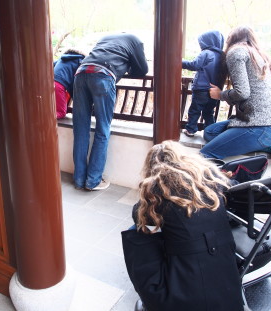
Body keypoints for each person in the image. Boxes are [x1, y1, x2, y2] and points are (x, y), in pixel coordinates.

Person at [123, 140, 244, 311]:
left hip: (182, 297)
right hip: (227, 286)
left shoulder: (154, 190)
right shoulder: (211, 177)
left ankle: (151, 294)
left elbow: (139, 218)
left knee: (136, 231)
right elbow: (236, 187)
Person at [201, 26, 271, 160]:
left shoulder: (236, 52)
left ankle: (267, 142)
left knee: (205, 154)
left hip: (262, 127)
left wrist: (220, 95)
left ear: (231, 40)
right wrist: (265, 104)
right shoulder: (261, 56)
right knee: (210, 132)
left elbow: (242, 93)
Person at [72, 33, 149, 191]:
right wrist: (127, 67)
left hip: (81, 73)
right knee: (103, 130)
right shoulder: (136, 40)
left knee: (80, 129)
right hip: (103, 75)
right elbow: (142, 70)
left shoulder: (105, 38)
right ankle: (93, 180)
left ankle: (79, 179)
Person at [181, 30, 226, 137]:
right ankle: (210, 131)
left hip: (201, 89)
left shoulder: (206, 53)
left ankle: (191, 129)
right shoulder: (222, 56)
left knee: (195, 110)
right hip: (215, 91)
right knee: (208, 112)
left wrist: (179, 61)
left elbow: (194, 65)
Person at [53, 49, 86, 119]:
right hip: (59, 85)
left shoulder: (62, 58)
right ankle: (44, 118)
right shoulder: (80, 61)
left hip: (50, 83)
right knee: (61, 113)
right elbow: (75, 83)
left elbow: (52, 65)